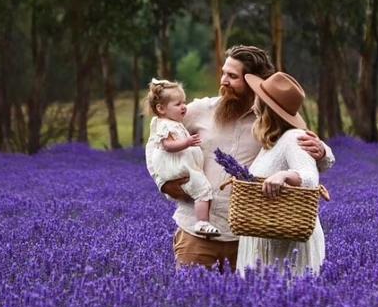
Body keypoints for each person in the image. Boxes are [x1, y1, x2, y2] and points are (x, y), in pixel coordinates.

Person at [145, 45, 335, 272]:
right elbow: (156, 142)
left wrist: (323, 152)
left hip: (247, 239)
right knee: (191, 304)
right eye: (223, 73)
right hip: (196, 236)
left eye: (232, 76)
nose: (223, 80)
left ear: (254, 81)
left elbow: (302, 152)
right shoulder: (199, 110)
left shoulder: (270, 119)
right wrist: (164, 183)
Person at [236, 72, 324, 276]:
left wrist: (285, 176)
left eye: (257, 99)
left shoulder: (294, 138)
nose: (252, 106)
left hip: (285, 249)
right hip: (267, 238)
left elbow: (310, 179)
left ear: (266, 107)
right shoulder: (272, 143)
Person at [143, 79, 220, 237]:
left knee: (201, 190)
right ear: (161, 109)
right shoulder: (164, 125)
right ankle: (202, 222)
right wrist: (187, 142)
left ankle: (202, 221)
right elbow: (167, 145)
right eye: (178, 104)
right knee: (203, 191)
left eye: (184, 102)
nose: (184, 106)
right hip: (178, 167)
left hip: (183, 166)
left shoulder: (174, 122)